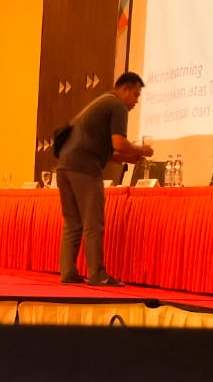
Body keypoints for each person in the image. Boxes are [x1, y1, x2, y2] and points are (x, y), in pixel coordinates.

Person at [54, 72, 154, 284]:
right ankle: (97, 274)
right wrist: (143, 150)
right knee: (93, 223)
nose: (136, 101)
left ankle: (68, 272)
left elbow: (104, 149)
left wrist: (127, 158)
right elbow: (119, 143)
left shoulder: (102, 102)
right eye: (135, 95)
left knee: (73, 222)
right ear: (125, 89)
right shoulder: (117, 106)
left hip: (64, 165)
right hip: (84, 168)